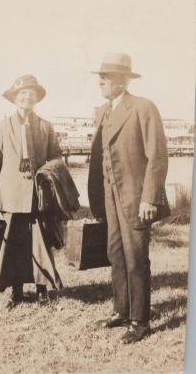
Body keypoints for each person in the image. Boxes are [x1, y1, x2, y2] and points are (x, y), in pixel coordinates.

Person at [88, 53, 170, 343]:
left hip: (136, 198)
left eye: (105, 77)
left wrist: (150, 198)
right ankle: (121, 311)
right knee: (115, 254)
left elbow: (157, 157)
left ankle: (140, 321)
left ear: (122, 82)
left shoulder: (143, 108)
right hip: (110, 198)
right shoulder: (102, 111)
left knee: (136, 259)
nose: (100, 81)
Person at [0, 74, 63, 308]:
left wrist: (46, 173)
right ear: (15, 99)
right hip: (9, 196)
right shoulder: (2, 127)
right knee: (13, 244)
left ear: (36, 98)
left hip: (37, 197)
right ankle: (16, 291)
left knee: (39, 242)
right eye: (23, 94)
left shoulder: (45, 127)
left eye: (31, 94)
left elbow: (57, 158)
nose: (27, 97)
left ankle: (41, 290)